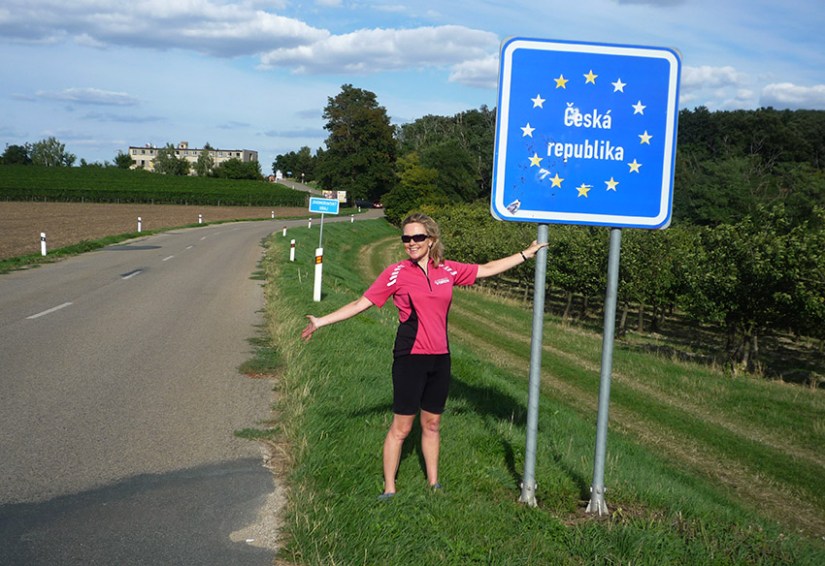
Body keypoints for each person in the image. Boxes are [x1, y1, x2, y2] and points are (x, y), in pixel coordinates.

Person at [301, 212, 546, 499]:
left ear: (431, 240)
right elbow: (360, 304)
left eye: (418, 237)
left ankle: (433, 484)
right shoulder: (395, 273)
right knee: (402, 427)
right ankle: (389, 489)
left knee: (432, 424)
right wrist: (321, 321)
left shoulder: (447, 270)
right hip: (410, 357)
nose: (411, 242)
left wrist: (525, 254)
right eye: (406, 238)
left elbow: (487, 268)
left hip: (441, 357)